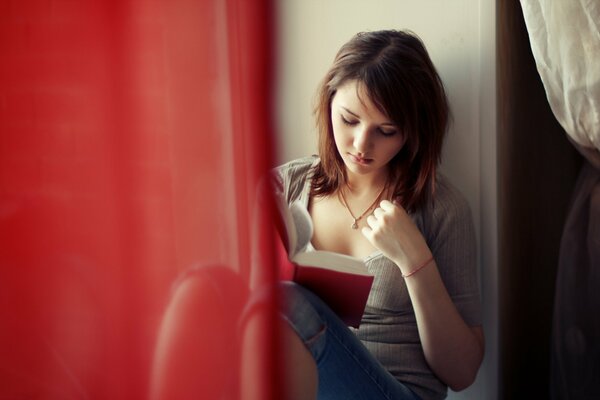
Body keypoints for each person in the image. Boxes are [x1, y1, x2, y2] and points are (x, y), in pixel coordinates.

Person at [271, 30, 484, 400]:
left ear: (412, 134)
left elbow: (462, 372)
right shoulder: (286, 185)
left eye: (386, 131)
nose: (361, 145)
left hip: (396, 391)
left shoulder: (442, 209)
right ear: (329, 102)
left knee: (291, 303)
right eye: (349, 120)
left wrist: (415, 260)